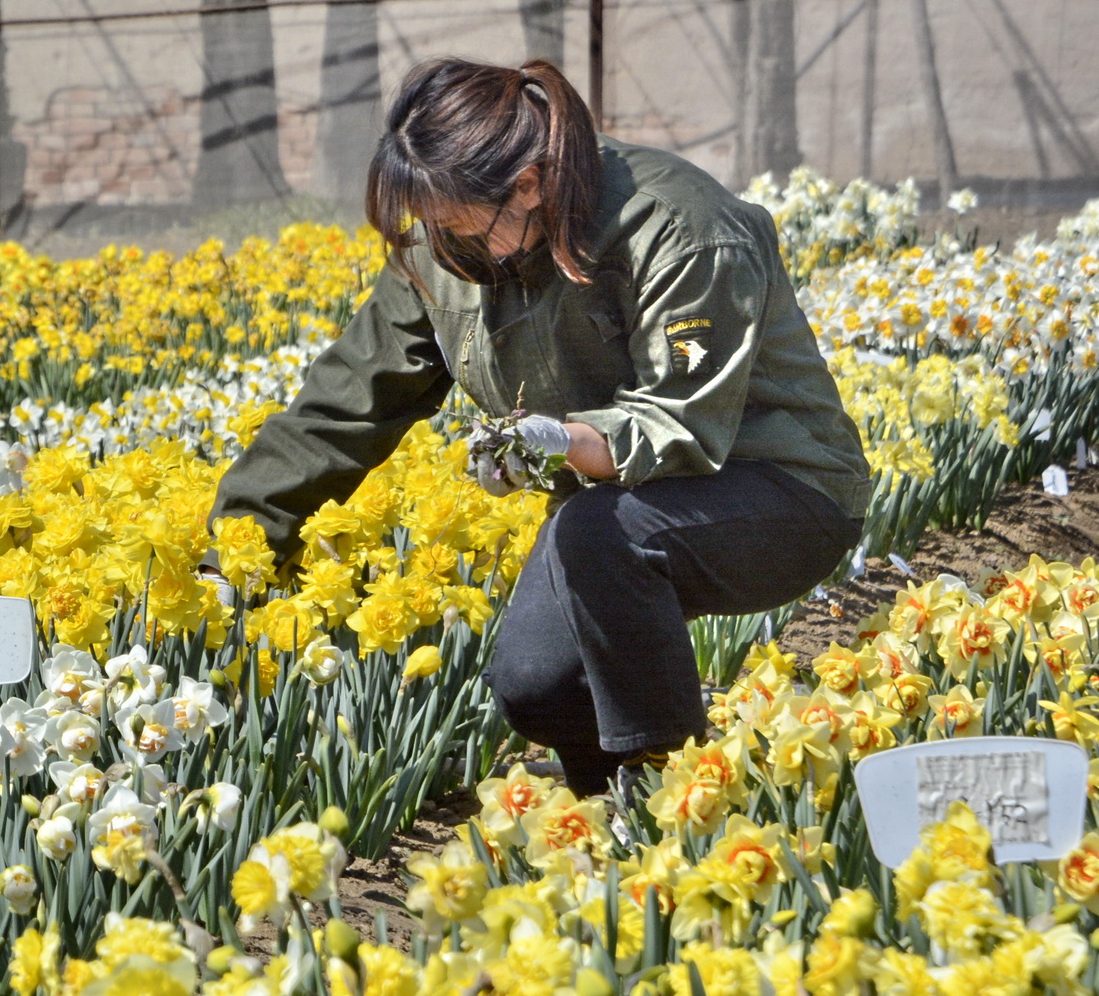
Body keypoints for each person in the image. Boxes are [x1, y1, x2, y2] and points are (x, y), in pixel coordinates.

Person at [212, 57, 872, 797]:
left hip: (777, 489)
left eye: (455, 223)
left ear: (527, 185)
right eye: (429, 223)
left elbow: (681, 426)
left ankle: (682, 801)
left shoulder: (678, 228)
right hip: (614, 507)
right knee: (536, 685)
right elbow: (342, 407)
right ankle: (607, 820)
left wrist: (560, 440)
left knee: (601, 534)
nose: (440, 243)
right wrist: (233, 544)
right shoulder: (451, 252)